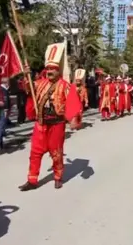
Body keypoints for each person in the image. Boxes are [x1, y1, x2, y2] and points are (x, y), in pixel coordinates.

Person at [18, 42, 82, 191]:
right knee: (35, 152)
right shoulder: (40, 83)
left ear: (58, 71)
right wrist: (26, 76)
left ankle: (58, 177)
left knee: (56, 152)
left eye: (52, 69)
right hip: (41, 123)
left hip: (57, 124)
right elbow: (28, 89)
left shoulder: (65, 86)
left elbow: (73, 102)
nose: (49, 71)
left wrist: (73, 118)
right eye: (48, 69)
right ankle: (32, 180)